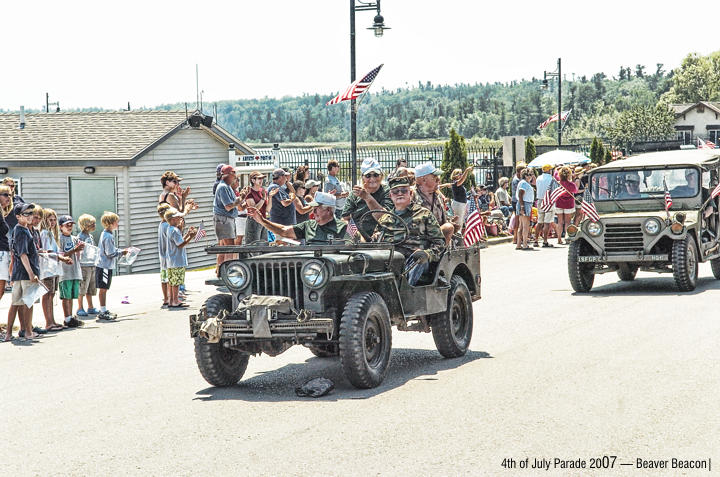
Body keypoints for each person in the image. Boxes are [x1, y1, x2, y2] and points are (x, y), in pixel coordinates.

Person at [376, 176, 445, 286]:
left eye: (404, 190)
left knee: (418, 259)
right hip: (390, 261)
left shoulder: (424, 214)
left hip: (416, 260)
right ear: (390, 196)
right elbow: (375, 242)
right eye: (395, 191)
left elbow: (440, 243)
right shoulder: (385, 219)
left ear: (411, 193)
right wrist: (376, 237)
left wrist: (427, 254)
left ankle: (402, 291)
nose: (400, 194)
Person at [247, 192, 349, 245]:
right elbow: (284, 231)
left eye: (317, 209)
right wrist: (263, 221)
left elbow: (354, 249)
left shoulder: (343, 227)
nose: (313, 212)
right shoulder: (308, 225)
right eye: (313, 209)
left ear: (329, 210)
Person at [6, 203, 40, 341]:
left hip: (19, 272)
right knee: (28, 303)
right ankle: (28, 331)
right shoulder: (21, 231)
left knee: (16, 303)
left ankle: (9, 334)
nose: (30, 216)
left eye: (31, 213)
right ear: (18, 216)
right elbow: (23, 254)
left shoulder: (20, 230)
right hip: (25, 273)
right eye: (27, 214)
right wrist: (31, 273)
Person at [342, 158, 393, 239]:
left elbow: (385, 218)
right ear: (363, 177)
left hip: (380, 238)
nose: (372, 179)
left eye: (376, 175)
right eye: (368, 176)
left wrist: (367, 197)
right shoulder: (355, 194)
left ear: (381, 176)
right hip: (357, 240)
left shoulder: (387, 192)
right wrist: (356, 235)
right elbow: (345, 218)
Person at [96, 211, 128, 321]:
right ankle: (103, 310)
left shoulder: (105, 234)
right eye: (116, 222)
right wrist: (121, 253)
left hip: (105, 265)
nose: (118, 224)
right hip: (104, 266)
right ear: (110, 223)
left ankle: (103, 309)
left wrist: (121, 251)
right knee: (103, 289)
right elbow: (110, 253)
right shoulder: (108, 236)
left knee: (104, 288)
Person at [414, 162, 455, 244]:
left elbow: (442, 219)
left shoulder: (437, 196)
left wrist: (449, 222)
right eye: (434, 177)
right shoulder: (411, 196)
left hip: (438, 243)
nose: (438, 180)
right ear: (423, 180)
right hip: (420, 242)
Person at [56, 215, 85, 328]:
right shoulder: (60, 239)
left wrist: (80, 250)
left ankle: (71, 317)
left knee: (72, 296)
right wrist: (74, 250)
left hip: (75, 271)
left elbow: (78, 254)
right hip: (65, 272)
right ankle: (66, 318)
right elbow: (61, 255)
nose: (69, 227)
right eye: (66, 225)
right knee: (66, 297)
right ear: (61, 227)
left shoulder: (74, 238)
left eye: (71, 225)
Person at [164, 208, 197, 308]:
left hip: (171, 260)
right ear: (173, 219)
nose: (180, 219)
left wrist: (186, 234)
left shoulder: (170, 229)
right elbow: (180, 244)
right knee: (176, 282)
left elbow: (179, 240)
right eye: (178, 217)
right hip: (177, 260)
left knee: (172, 281)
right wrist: (191, 237)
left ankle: (171, 300)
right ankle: (175, 301)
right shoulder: (175, 230)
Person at [213, 165, 242, 271]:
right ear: (228, 175)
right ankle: (227, 272)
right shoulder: (223, 187)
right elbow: (228, 206)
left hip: (226, 219)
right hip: (223, 219)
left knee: (225, 248)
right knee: (229, 248)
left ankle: (221, 272)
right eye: (233, 174)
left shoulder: (227, 186)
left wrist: (240, 198)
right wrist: (239, 200)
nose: (235, 177)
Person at [76, 214, 99, 317]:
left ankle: (90, 306)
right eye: (92, 223)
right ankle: (80, 307)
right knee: (83, 287)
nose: (94, 225)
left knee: (90, 287)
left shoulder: (90, 236)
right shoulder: (80, 237)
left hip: (91, 263)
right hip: (84, 264)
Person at [554, 166, 578, 244]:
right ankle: (567, 238)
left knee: (560, 222)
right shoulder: (571, 184)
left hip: (559, 204)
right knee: (567, 222)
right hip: (568, 204)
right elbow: (575, 191)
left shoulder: (558, 184)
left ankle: (559, 239)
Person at [535, 165, 557, 247]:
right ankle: (545, 241)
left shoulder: (538, 178)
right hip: (548, 200)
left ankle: (536, 240)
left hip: (540, 200)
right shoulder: (551, 179)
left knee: (540, 221)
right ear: (549, 170)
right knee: (547, 222)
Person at [244, 171, 268, 245]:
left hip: (263, 220)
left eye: (262, 178)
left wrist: (269, 197)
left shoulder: (262, 191)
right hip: (254, 221)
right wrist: (263, 198)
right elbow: (253, 209)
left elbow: (267, 209)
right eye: (259, 178)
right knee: (253, 246)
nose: (261, 180)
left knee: (264, 246)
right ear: (253, 180)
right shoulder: (249, 192)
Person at [515, 169, 535, 250]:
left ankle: (519, 244)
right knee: (525, 226)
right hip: (525, 204)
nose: (531, 176)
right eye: (529, 175)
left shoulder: (524, 183)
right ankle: (525, 244)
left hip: (525, 203)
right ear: (526, 176)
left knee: (522, 226)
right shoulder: (524, 183)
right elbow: (520, 195)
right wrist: (522, 207)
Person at [157, 203, 171, 307]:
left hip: (162, 255)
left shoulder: (161, 224)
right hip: (169, 255)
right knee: (170, 278)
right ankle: (170, 297)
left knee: (164, 278)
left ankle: (166, 298)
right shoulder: (167, 226)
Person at [0, 186, 10, 306]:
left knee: (1, 291)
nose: (9, 198)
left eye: (10, 195)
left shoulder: (2, 213)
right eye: (6, 194)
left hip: (3, 251)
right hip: (0, 252)